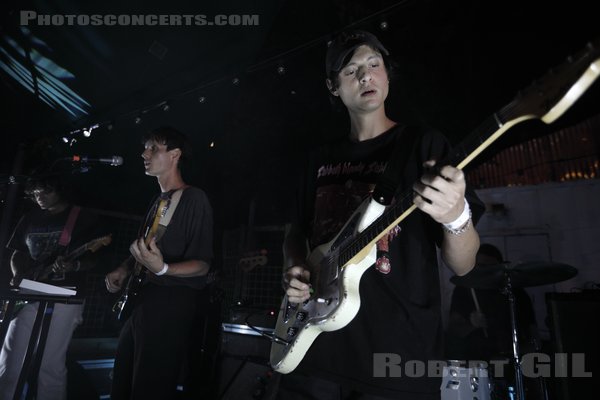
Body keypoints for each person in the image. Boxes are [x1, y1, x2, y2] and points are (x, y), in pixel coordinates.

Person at [278, 30, 483, 399]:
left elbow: (465, 265)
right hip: (311, 354)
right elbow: (295, 232)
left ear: (387, 75)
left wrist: (456, 216)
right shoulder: (317, 159)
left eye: (374, 65)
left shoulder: (424, 145)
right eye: (351, 70)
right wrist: (294, 266)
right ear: (333, 87)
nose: (365, 76)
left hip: (397, 362)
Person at [105, 126, 219, 400]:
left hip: (170, 301)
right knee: (122, 383)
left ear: (175, 154)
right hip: (142, 299)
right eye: (146, 148)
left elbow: (203, 264)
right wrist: (124, 268)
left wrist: (164, 269)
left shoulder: (194, 198)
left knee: (150, 387)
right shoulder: (158, 201)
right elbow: (145, 250)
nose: (144, 153)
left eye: (153, 148)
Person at [0, 174, 110, 400]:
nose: (39, 197)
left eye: (46, 192)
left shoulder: (82, 217)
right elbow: (17, 253)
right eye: (35, 193)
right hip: (29, 291)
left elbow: (97, 258)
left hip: (65, 296)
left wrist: (74, 264)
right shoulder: (30, 217)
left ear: (61, 190)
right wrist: (18, 274)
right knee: (9, 359)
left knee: (49, 364)